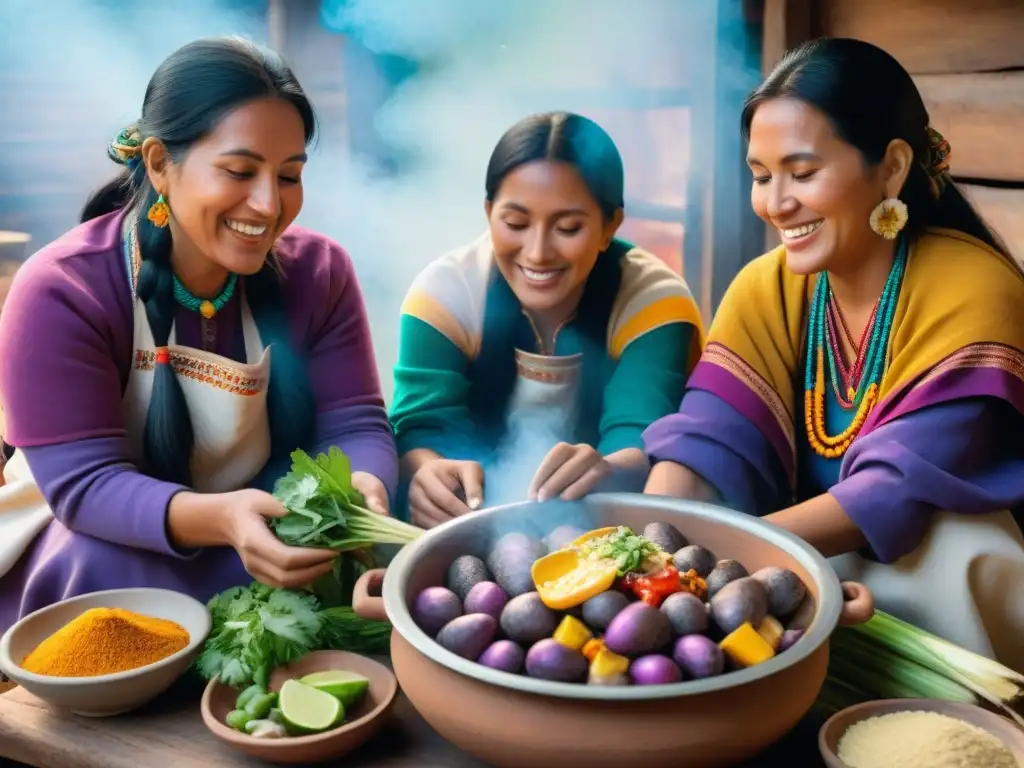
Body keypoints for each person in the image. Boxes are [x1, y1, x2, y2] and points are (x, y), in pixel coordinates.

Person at [643, 37, 1024, 671]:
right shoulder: (767, 286)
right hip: (794, 553)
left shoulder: (977, 291)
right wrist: (649, 544)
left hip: (919, 580)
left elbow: (899, 487)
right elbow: (705, 442)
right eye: (761, 176)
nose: (776, 203)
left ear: (893, 167)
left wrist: (726, 563)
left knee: (957, 541)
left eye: (803, 171)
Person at [0, 37, 398, 633]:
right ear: (160, 163)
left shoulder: (321, 272)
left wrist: (362, 489)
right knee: (94, 567)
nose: (268, 205)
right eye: (240, 171)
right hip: (109, 531)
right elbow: (85, 486)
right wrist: (223, 522)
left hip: (261, 525)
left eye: (288, 175)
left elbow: (356, 422)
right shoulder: (62, 290)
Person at [390, 112, 705, 528]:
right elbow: (422, 426)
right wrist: (428, 471)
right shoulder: (445, 294)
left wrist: (607, 468)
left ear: (610, 225)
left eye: (568, 227)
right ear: (488, 212)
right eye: (515, 223)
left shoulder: (654, 302)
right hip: (469, 523)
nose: (537, 252)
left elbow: (643, 433)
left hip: (604, 523)